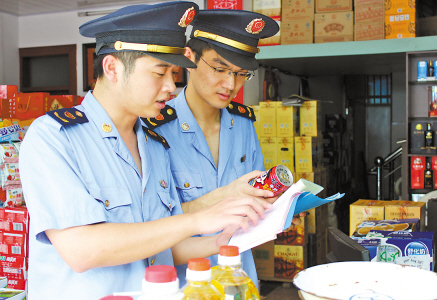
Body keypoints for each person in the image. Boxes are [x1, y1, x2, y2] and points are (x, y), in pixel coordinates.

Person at [19, 3, 271, 299]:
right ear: (112, 68)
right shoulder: (54, 138)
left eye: (173, 73)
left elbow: (161, 246)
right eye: (159, 72)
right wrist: (198, 219)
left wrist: (226, 238)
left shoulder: (154, 145)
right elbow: (81, 249)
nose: (170, 87)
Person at [141, 9, 280, 287]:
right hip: (186, 283)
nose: (231, 85)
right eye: (220, 69)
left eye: (241, 74)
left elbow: (257, 196)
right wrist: (222, 199)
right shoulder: (152, 128)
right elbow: (149, 227)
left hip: (239, 277)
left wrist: (276, 205)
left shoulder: (243, 124)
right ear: (189, 58)